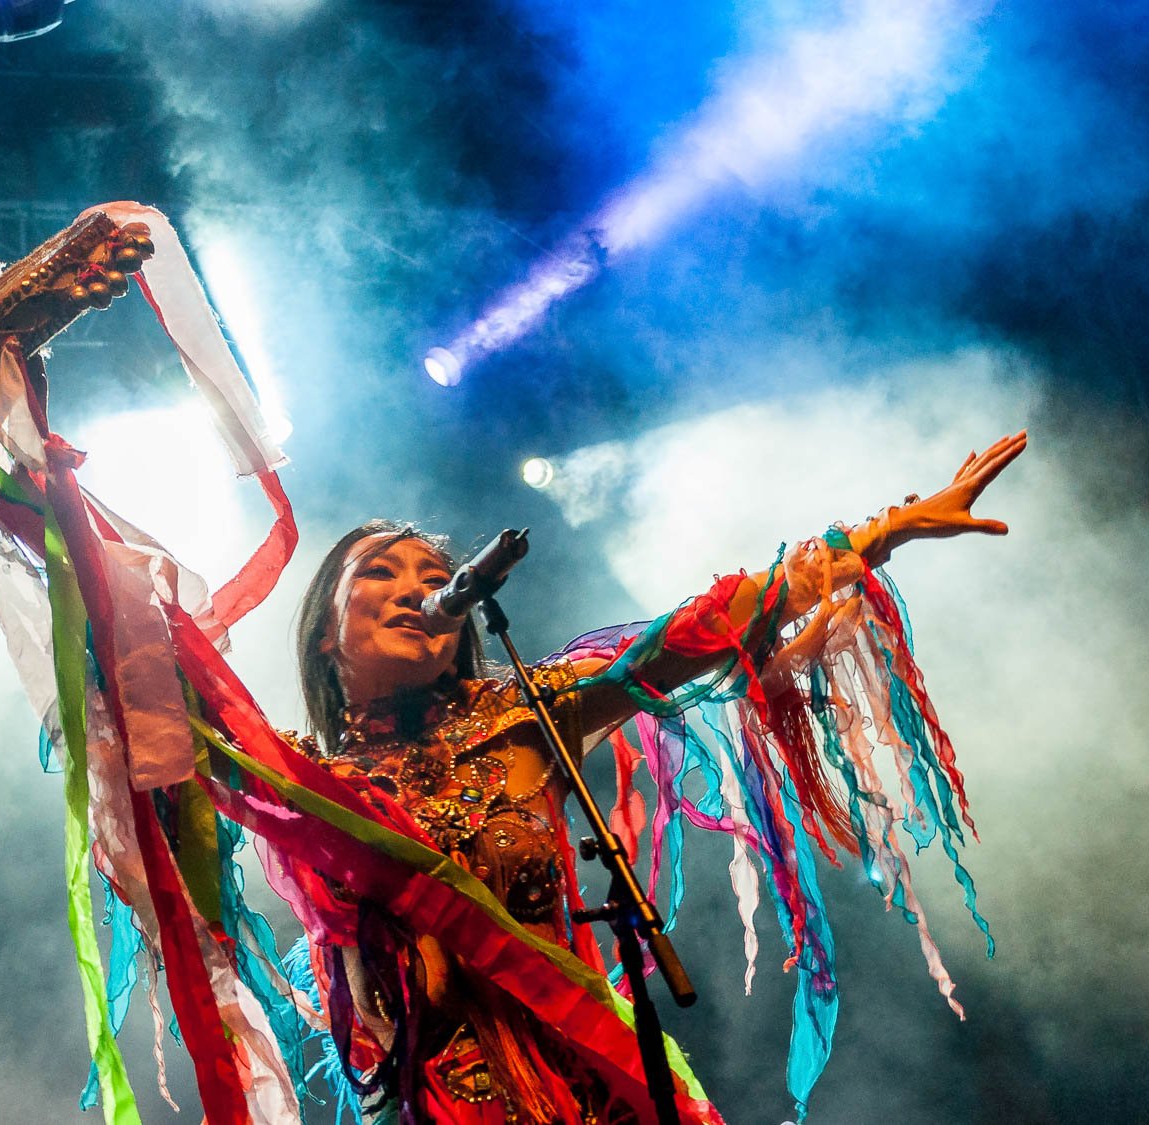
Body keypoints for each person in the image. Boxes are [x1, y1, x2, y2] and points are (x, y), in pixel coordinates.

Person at [274, 431, 1028, 1124]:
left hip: (585, 1085)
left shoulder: (523, 716)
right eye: (379, 572)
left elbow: (693, 631)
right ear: (323, 632)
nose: (416, 589)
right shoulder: (296, 783)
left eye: (438, 579)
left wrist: (881, 534)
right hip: (433, 1104)